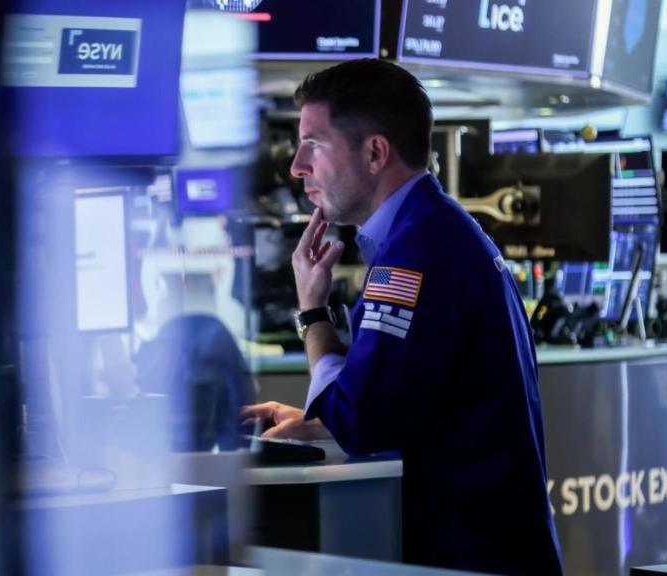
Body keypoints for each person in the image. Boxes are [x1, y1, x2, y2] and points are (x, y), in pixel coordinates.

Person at [241, 59, 562, 575]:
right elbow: (404, 405)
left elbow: (362, 422)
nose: (297, 166)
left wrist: (312, 311)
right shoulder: (431, 231)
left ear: (375, 153)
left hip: (468, 558)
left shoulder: (416, 252)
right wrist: (318, 423)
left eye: (314, 145)